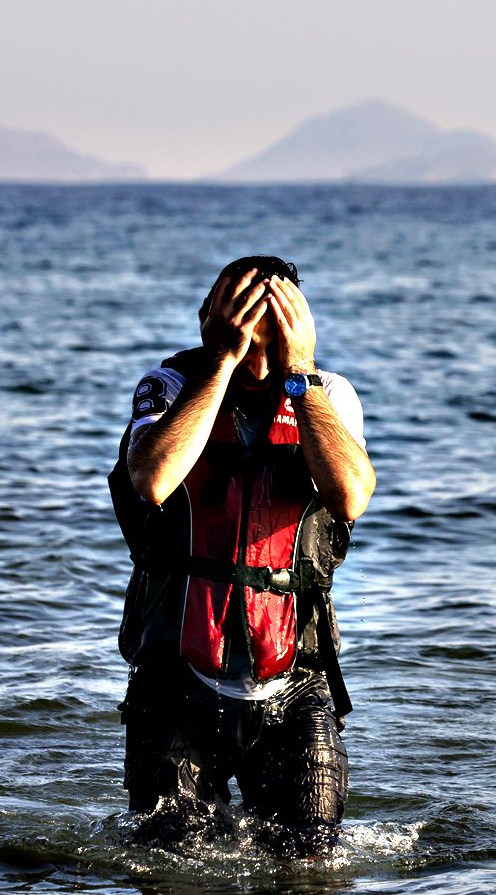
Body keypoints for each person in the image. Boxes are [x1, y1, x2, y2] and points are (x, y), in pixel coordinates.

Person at [108, 255, 375, 856]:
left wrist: (299, 372)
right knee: (170, 879)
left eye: (272, 332)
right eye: (243, 330)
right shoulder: (170, 386)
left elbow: (352, 494)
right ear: (210, 320)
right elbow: (151, 478)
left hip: (295, 680)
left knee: (310, 873)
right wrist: (221, 362)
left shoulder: (330, 395)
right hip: (176, 679)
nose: (259, 354)